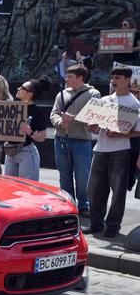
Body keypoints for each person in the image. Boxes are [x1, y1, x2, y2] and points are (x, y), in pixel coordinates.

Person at [85, 66, 140, 237]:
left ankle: (113, 227)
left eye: (118, 78)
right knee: (93, 191)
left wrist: (119, 134)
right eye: (112, 78)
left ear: (127, 80)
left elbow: (138, 131)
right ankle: (95, 224)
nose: (113, 81)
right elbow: (93, 124)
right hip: (100, 150)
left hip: (121, 153)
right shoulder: (105, 100)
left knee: (118, 193)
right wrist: (92, 126)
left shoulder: (134, 104)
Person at [50, 64, 101, 214]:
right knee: (64, 175)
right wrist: (61, 122)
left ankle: (84, 205)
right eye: (66, 76)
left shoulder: (93, 93)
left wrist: (72, 119)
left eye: (70, 77)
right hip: (61, 140)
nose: (66, 79)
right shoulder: (61, 94)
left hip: (82, 141)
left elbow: (93, 115)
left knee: (82, 176)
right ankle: (68, 204)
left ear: (80, 78)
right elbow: (54, 113)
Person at [0, 70, 50, 180]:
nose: (18, 88)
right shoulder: (13, 106)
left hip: (26, 152)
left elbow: (42, 137)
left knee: (27, 187)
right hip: (10, 152)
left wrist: (30, 132)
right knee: (9, 187)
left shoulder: (37, 112)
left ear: (30, 94)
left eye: (22, 88)